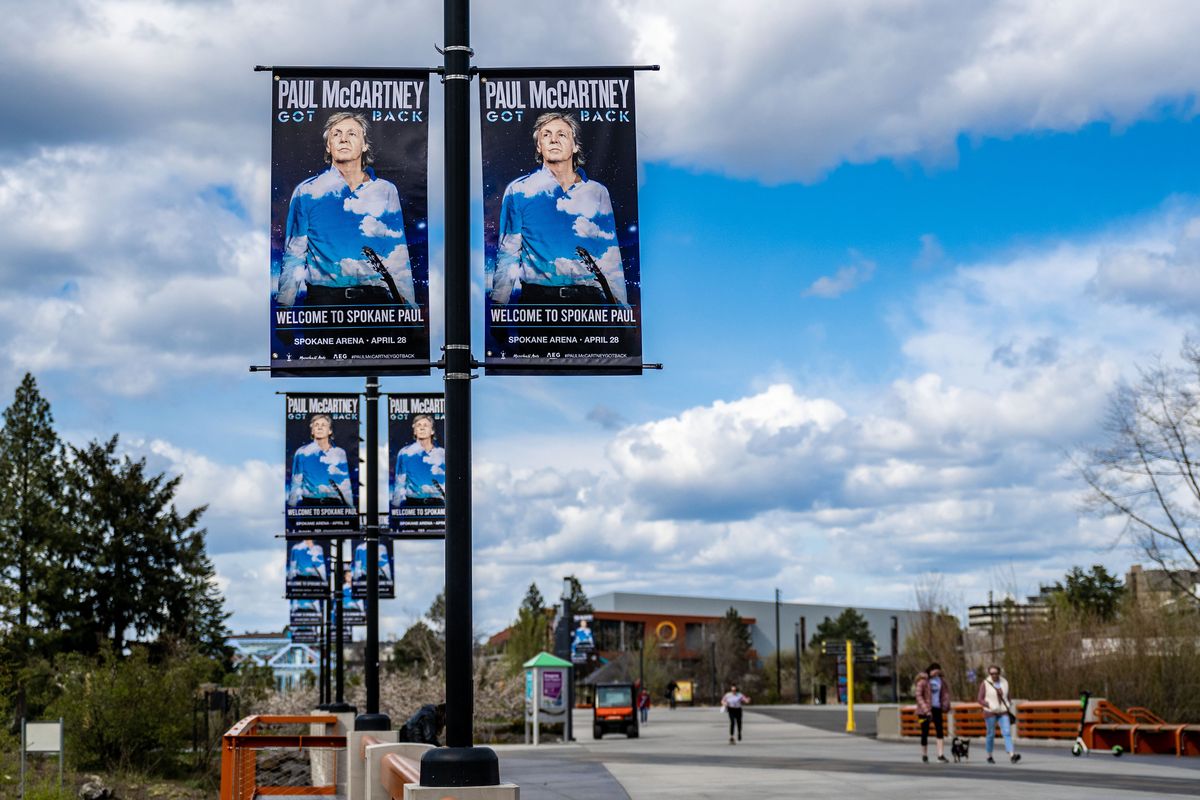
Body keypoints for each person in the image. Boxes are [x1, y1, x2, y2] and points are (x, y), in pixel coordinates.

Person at [488, 112, 629, 310]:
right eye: (546, 135)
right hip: (538, 304)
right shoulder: (519, 191)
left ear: (575, 145)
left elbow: (609, 252)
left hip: (588, 306)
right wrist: (499, 304)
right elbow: (509, 251)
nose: (553, 139)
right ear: (539, 146)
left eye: (562, 134)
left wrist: (622, 308)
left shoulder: (597, 192)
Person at [277, 112, 416, 308]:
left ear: (364, 144)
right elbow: (294, 254)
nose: (343, 139)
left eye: (352, 133)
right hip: (324, 303)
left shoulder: (386, 190)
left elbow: (397, 251)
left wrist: (409, 306)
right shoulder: (306, 192)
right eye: (336, 134)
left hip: (376, 304)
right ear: (328, 145)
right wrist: (284, 306)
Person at [287, 414, 352, 508]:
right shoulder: (302, 452)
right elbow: (296, 481)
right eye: (316, 425)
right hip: (309, 505)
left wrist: (351, 508)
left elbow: (346, 483)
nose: (319, 427)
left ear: (330, 431)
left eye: (323, 425)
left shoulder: (340, 453)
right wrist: (291, 506)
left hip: (335, 505)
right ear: (312, 431)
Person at [391, 414, 445, 508]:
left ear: (432, 431)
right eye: (418, 425)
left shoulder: (443, 454)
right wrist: (396, 508)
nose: (422, 428)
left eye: (425, 425)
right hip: (412, 505)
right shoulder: (405, 453)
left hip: (438, 506)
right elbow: (400, 482)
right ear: (415, 431)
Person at [978, 665, 1021, 763]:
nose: (994, 675)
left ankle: (1012, 755)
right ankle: (989, 755)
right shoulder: (985, 683)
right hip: (990, 712)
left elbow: (1007, 695)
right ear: (989, 674)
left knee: (1006, 733)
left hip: (1003, 711)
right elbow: (979, 699)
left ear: (999, 673)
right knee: (990, 734)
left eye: (996, 673)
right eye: (991, 673)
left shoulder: (1004, 682)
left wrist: (1009, 703)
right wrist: (987, 704)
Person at [915, 662, 952, 763]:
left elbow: (945, 694)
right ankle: (924, 754)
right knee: (924, 732)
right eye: (935, 672)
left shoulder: (941, 681)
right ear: (930, 670)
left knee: (940, 731)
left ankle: (940, 755)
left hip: (937, 709)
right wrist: (926, 710)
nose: (936, 674)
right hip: (923, 711)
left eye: (938, 673)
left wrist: (946, 705)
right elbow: (918, 696)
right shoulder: (922, 681)